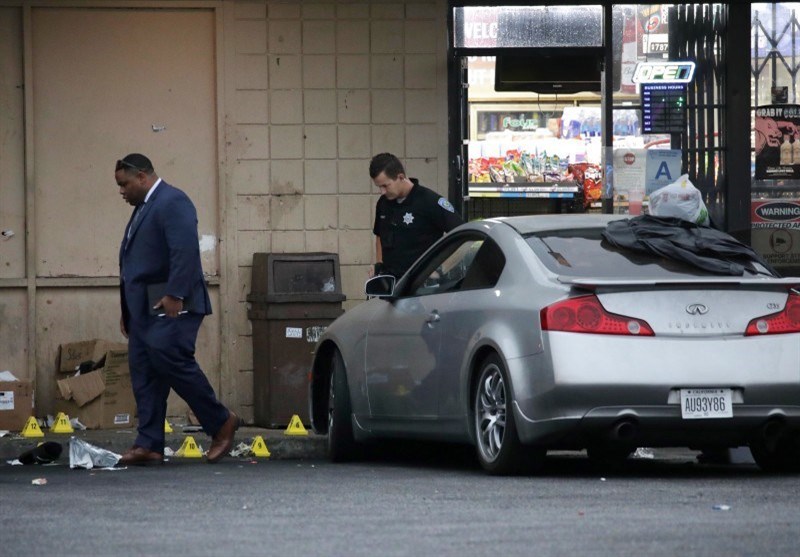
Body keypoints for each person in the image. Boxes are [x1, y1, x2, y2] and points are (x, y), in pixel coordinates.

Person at [115, 153, 238, 466]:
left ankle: (220, 420)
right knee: (143, 368)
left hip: (173, 301)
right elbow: (134, 262)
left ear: (142, 176)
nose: (121, 191)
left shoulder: (173, 201)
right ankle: (149, 443)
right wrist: (128, 309)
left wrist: (175, 294)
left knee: (168, 356)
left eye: (124, 184)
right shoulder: (145, 207)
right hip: (144, 307)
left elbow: (184, 250)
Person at [369, 153, 463, 279]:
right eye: (379, 187)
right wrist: (379, 265)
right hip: (392, 284)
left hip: (420, 286)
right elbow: (380, 235)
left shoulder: (429, 201)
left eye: (385, 186)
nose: (382, 191)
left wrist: (441, 270)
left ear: (401, 177)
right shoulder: (383, 203)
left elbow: (463, 237)